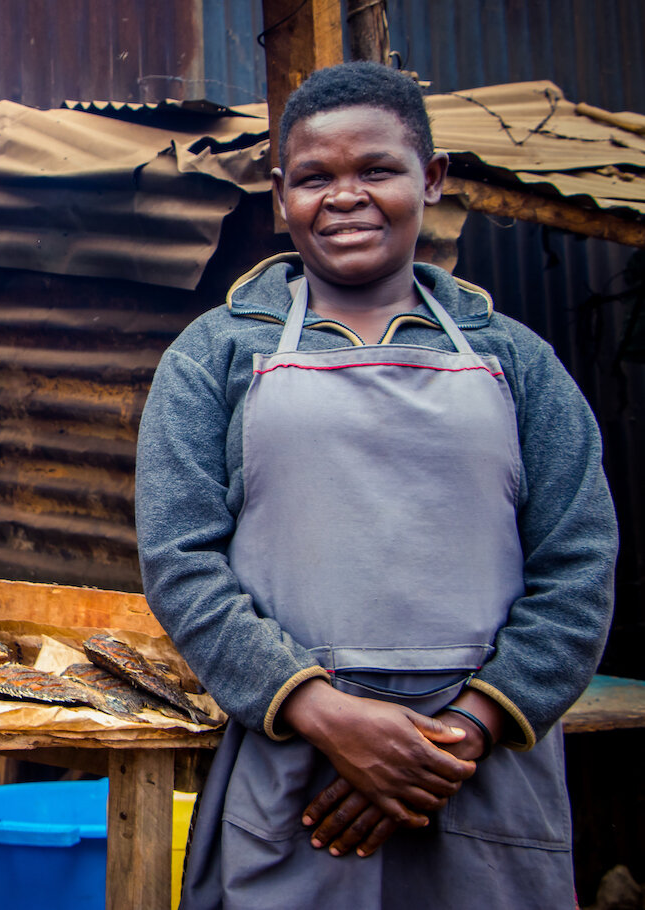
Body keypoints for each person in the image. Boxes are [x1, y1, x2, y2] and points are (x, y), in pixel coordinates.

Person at [134, 61, 618, 908]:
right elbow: (180, 562)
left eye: (377, 170)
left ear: (430, 179)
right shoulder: (212, 357)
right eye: (316, 177)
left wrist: (457, 736)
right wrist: (326, 715)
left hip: (484, 776)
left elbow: (579, 569)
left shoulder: (517, 361)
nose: (345, 196)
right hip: (298, 772)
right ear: (281, 195)